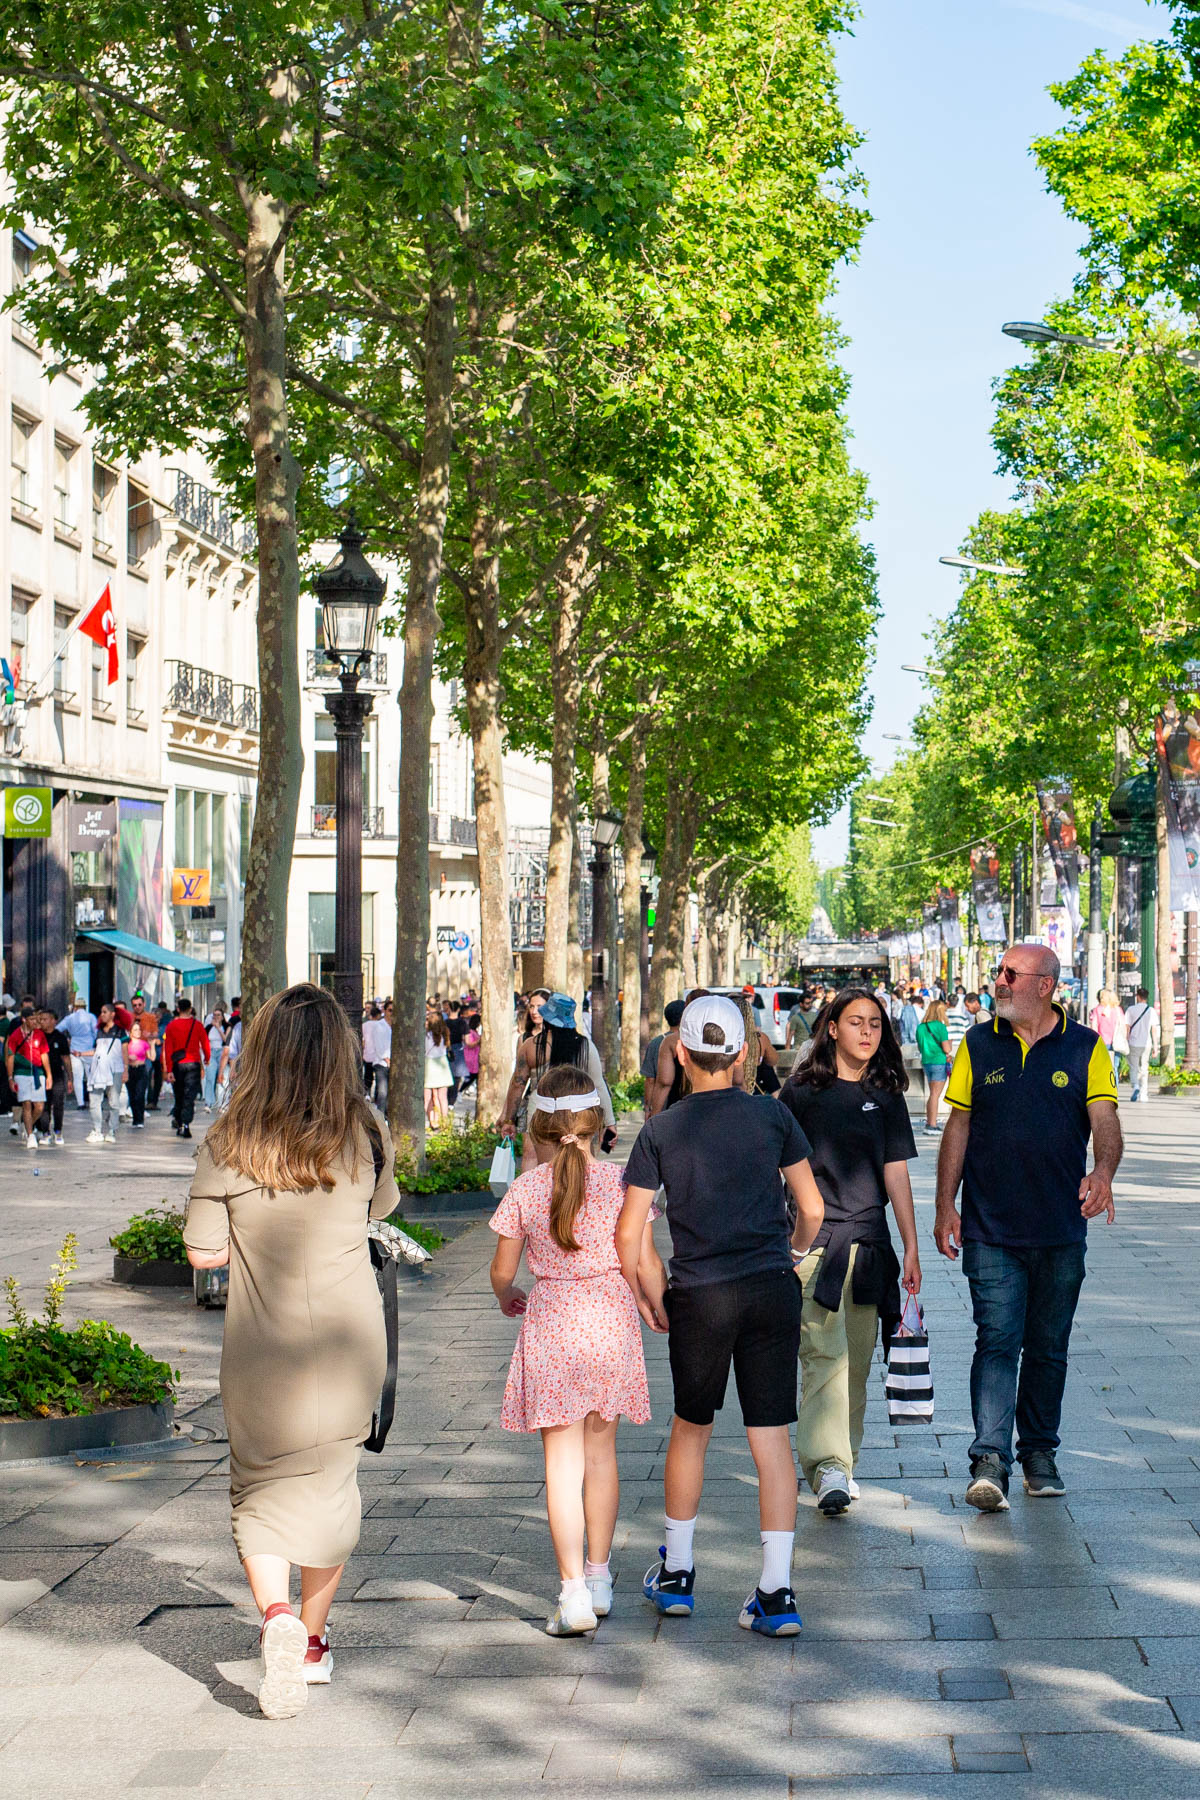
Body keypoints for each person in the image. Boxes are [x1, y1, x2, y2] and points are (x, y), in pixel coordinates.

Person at [184, 982, 399, 1718]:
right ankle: (311, 1641)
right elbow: (380, 1211)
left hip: (261, 1347)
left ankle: (274, 1617)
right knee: (332, 1482)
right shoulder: (366, 1134)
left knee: (257, 1486)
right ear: (341, 1052)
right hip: (349, 1340)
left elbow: (204, 1252)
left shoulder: (227, 1141)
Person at [617, 995, 824, 1639]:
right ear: (744, 1052)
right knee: (771, 1438)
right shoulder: (773, 1116)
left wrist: (652, 1294)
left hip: (699, 1294)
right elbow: (813, 1209)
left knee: (692, 1427)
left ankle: (677, 1573)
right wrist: (790, 1256)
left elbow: (630, 1236)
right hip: (769, 1287)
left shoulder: (660, 1131)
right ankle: (777, 1590)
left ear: (680, 1054)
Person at [934, 943, 1122, 1511]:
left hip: (1062, 1230)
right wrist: (946, 1205)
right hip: (990, 1230)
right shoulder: (977, 1042)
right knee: (996, 1339)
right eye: (1000, 973)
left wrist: (1104, 1170)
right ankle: (989, 1459)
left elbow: (1106, 1122)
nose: (999, 982)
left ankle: (1039, 1451)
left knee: (1048, 1346)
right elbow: (958, 1127)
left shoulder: (1087, 1047)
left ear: (1045, 985)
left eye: (1011, 974)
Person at [489, 1064, 655, 1636]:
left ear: (537, 1126)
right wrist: (653, 1303)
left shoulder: (525, 1190)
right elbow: (641, 1256)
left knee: (560, 1466)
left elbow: (502, 1272)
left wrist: (511, 1295)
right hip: (609, 1317)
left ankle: (573, 1594)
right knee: (602, 1456)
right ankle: (602, 1575)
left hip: (553, 1320)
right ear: (599, 1125)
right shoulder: (622, 1184)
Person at [779, 989, 919, 1516]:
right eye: (856, 1022)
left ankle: (844, 1463)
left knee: (856, 1363)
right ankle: (827, 1466)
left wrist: (910, 1246)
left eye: (876, 1025)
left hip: (870, 1246)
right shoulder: (798, 1093)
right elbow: (777, 1171)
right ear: (831, 1027)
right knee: (822, 1357)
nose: (867, 1032)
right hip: (813, 1246)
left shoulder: (886, 1095)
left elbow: (896, 1172)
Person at [498, 992, 616, 1170]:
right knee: (582, 1156)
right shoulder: (585, 1046)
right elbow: (598, 1085)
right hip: (579, 1109)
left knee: (534, 1157)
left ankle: (533, 1196)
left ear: (547, 1017)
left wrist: (509, 1120)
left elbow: (518, 1083)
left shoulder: (531, 1046)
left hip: (540, 1107)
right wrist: (609, 1122)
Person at [6, 1002, 51, 1148]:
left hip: (38, 1073)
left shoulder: (39, 1034)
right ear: (24, 1019)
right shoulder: (15, 1035)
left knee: (39, 1106)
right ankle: (31, 1135)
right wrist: (10, 1077)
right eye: (32, 1019)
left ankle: (28, 1125)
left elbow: (44, 1054)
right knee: (26, 1103)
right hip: (22, 1072)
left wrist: (49, 1075)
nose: (35, 1022)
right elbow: (10, 1057)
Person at [164, 998, 209, 1139]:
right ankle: (186, 1124)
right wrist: (207, 1058)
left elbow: (168, 1048)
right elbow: (205, 1043)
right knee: (189, 1095)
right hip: (193, 1064)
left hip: (178, 1065)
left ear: (178, 1009)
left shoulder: (171, 1026)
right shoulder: (197, 1025)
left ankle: (178, 1120)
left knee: (179, 1095)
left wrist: (169, 1069)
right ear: (190, 1009)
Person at [87, 1002, 128, 1144]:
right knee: (94, 1100)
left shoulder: (120, 1031)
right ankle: (97, 1129)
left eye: (105, 1012)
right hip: (98, 1070)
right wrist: (81, 1053)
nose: (102, 1015)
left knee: (114, 1101)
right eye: (101, 1012)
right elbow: (96, 1051)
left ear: (112, 1014)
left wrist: (125, 1069)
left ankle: (112, 1130)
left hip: (115, 1069)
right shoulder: (98, 1031)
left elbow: (124, 1051)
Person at [643, 999, 687, 1114]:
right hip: (686, 1104)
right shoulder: (690, 1041)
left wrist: (648, 1108)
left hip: (662, 1108)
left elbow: (650, 1080)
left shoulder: (655, 1043)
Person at [916, 998, 951, 1137]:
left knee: (932, 1094)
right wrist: (948, 1044)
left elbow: (920, 1047)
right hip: (939, 1061)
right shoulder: (940, 1027)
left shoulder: (920, 1027)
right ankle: (932, 1124)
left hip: (926, 1061)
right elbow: (947, 1048)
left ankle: (930, 1123)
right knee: (935, 1095)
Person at [58, 994, 97, 1109]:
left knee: (77, 1077)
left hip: (74, 1049)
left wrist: (67, 1040)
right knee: (91, 1077)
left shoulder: (69, 1018)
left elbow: (58, 1029)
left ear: (75, 1007)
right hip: (89, 1049)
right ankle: (93, 1101)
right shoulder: (91, 1017)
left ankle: (80, 1103)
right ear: (85, 1007)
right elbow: (95, 1033)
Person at [1123, 986, 1160, 1104]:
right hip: (1146, 1043)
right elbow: (1154, 1030)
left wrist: (1126, 1041)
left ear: (1137, 997)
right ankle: (1144, 1094)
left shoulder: (1130, 1010)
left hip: (1133, 1043)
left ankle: (1135, 1087)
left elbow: (1127, 1028)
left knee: (1133, 1067)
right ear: (1146, 997)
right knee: (1144, 1068)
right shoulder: (1151, 1011)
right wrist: (1155, 1046)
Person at [38, 1009, 70, 1145]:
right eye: (41, 1019)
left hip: (57, 1075)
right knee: (44, 1104)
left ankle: (58, 1131)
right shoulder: (38, 1036)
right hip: (41, 1075)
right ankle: (45, 1132)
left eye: (45, 1019)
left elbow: (66, 1059)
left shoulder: (60, 1037)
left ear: (53, 1021)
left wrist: (70, 1078)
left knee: (58, 1103)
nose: (42, 1022)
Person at [425, 1005, 453, 1127]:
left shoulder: (426, 1036)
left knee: (428, 1097)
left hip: (429, 1065)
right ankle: (444, 1121)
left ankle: (432, 1120)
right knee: (442, 1097)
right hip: (442, 1065)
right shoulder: (445, 1034)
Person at [361, 1003, 391, 1111]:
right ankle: (381, 1114)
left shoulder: (395, 1025)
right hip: (380, 1061)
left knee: (380, 1087)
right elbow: (378, 1045)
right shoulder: (379, 1026)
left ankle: (368, 1095)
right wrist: (386, 1058)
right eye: (390, 1010)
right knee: (382, 1091)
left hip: (371, 1056)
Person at [126, 1016, 153, 1127]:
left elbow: (152, 1057)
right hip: (130, 1070)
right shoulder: (127, 1044)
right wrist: (128, 1056)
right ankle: (135, 1119)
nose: (137, 1032)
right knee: (132, 1096)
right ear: (130, 1032)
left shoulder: (144, 1043)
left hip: (141, 1070)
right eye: (135, 1030)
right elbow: (121, 1056)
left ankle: (140, 1119)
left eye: (139, 1030)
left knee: (140, 1095)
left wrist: (152, 1045)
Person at [204, 1007, 228, 1111]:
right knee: (210, 1077)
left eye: (218, 1015)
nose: (216, 1017)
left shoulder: (226, 1026)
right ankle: (209, 1102)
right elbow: (204, 1040)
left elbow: (226, 1039)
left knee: (222, 1077)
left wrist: (218, 1028)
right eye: (214, 1015)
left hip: (223, 1052)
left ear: (222, 1017)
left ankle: (222, 1103)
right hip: (212, 1052)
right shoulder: (209, 1027)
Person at [149, 1001, 171, 1110]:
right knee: (148, 1077)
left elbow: (167, 1037)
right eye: (154, 1017)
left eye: (157, 1017)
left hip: (159, 1056)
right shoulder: (147, 1025)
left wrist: (161, 1040)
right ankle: (149, 1100)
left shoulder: (165, 1026)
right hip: (148, 1055)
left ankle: (154, 1101)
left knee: (158, 1079)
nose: (156, 1019)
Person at [460, 1013, 481, 1094]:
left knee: (474, 1075)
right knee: (472, 1075)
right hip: (471, 1056)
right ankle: (460, 1091)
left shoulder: (475, 1031)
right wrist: (479, 1041)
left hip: (475, 1056)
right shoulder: (469, 1032)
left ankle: (464, 1090)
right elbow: (469, 1043)